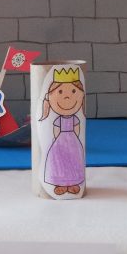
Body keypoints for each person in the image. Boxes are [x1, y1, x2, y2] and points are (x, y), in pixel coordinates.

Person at [39, 68, 86, 196]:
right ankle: (60, 183)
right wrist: (58, 142)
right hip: (61, 141)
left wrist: (74, 141)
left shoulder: (75, 118)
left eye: (74, 91)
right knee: (59, 161)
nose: (67, 96)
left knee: (73, 160)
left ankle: (72, 183)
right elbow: (56, 131)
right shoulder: (58, 119)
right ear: (49, 96)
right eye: (60, 91)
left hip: (71, 140)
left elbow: (77, 129)